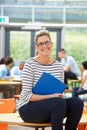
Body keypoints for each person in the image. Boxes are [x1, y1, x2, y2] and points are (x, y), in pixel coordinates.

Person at [18, 30, 83, 130]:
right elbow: (26, 96)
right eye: (40, 43)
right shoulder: (30, 64)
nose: (44, 46)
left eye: (47, 42)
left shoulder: (58, 66)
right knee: (58, 102)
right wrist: (51, 96)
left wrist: (57, 96)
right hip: (28, 109)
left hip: (52, 106)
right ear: (36, 47)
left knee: (77, 103)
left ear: (51, 44)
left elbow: (58, 93)